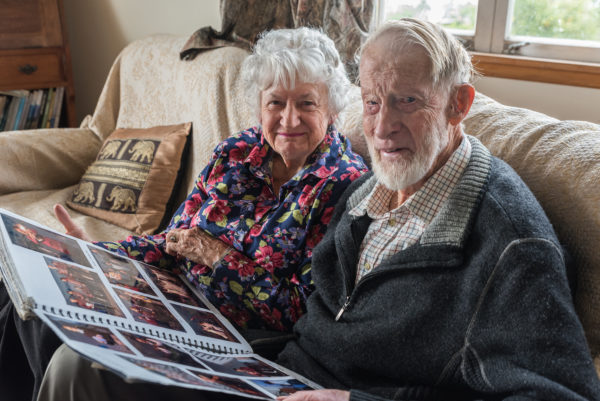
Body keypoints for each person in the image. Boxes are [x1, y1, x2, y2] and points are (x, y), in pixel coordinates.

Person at [37, 18, 600, 401]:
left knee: (80, 370)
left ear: (459, 104)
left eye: (407, 101)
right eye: (374, 103)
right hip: (273, 368)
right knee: (63, 338)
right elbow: (317, 317)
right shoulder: (373, 192)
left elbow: (559, 393)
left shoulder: (509, 241)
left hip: (311, 381)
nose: (381, 128)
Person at [0, 27, 368, 401]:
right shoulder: (236, 152)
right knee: (26, 304)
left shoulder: (343, 186)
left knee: (73, 360)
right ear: (259, 105)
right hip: (169, 299)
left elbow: (303, 311)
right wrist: (98, 254)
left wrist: (218, 256)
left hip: (237, 337)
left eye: (306, 104)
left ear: (333, 108)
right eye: (276, 103)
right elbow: (174, 242)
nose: (289, 120)